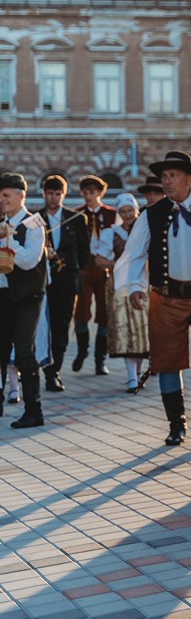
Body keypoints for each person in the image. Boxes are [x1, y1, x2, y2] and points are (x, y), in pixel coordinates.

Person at [113, 151, 191, 447]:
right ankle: (176, 424)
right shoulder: (150, 215)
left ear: (190, 179)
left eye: (173, 176)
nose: (166, 181)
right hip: (166, 298)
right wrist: (135, 286)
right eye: (164, 176)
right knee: (166, 362)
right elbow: (134, 253)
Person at [1, 172, 48, 428]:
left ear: (21, 196)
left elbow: (30, 261)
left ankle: (34, 410)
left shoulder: (34, 223)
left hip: (28, 296)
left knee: (24, 351)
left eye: (6, 195)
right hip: (3, 295)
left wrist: (7, 240)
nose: (1, 200)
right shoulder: (2, 223)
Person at [36, 174, 89, 393]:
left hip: (67, 280)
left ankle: (54, 373)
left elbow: (84, 253)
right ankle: (41, 369)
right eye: (50, 193)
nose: (54, 198)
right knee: (42, 326)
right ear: (44, 193)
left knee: (62, 327)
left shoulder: (76, 218)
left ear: (64, 194)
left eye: (58, 194)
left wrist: (70, 269)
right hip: (42, 281)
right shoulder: (35, 218)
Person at [95, 194, 149, 393]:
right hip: (119, 284)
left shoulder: (144, 231)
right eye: (123, 211)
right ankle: (131, 376)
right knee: (125, 329)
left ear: (136, 211)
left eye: (130, 210)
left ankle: (139, 371)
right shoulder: (111, 233)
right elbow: (99, 260)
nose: (127, 215)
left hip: (142, 282)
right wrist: (119, 264)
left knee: (142, 329)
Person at [74, 174, 117, 375]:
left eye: (92, 192)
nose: (88, 196)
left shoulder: (111, 214)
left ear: (100, 192)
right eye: (85, 192)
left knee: (104, 312)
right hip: (84, 267)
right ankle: (82, 350)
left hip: (104, 268)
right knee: (81, 310)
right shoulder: (76, 214)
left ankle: (100, 359)